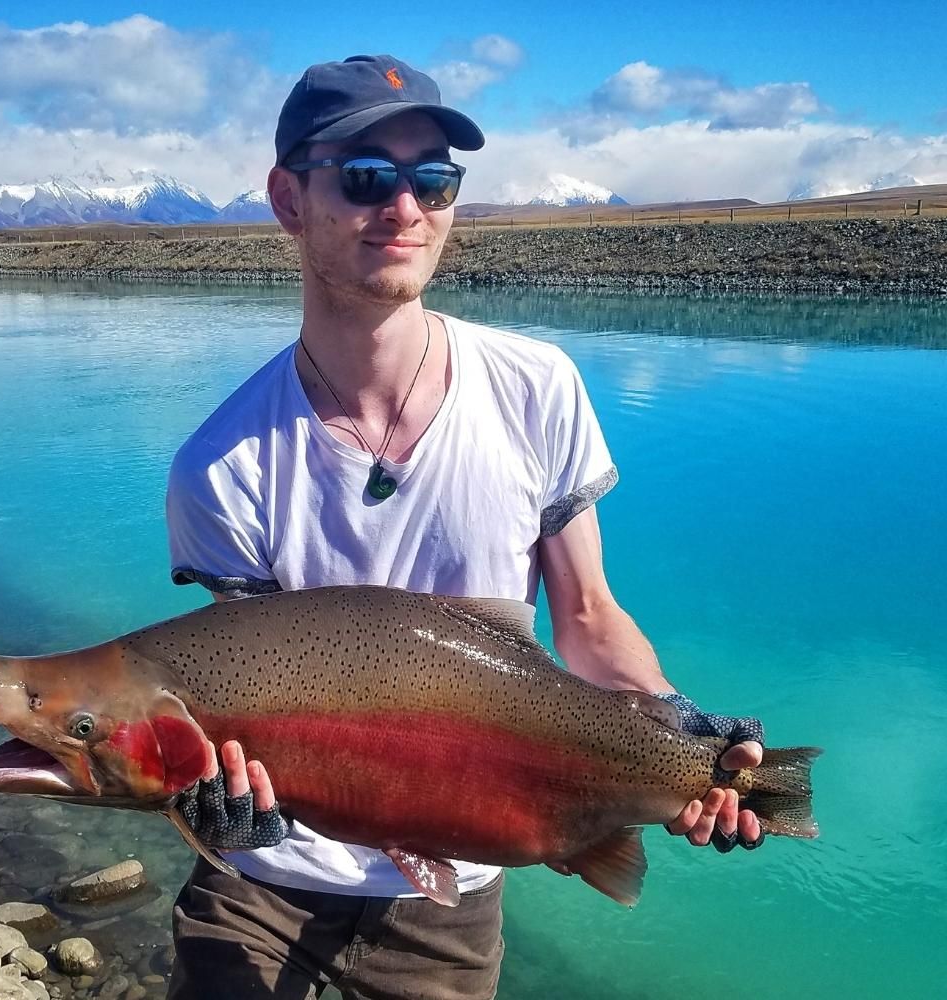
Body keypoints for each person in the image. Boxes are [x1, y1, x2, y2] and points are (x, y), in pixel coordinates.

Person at [162, 54, 766, 1000]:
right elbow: (241, 695)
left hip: (453, 910)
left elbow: (591, 623)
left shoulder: (538, 389)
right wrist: (221, 817)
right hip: (261, 893)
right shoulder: (221, 465)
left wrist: (686, 733)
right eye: (365, 177)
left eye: (433, 179)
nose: (404, 208)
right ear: (288, 200)